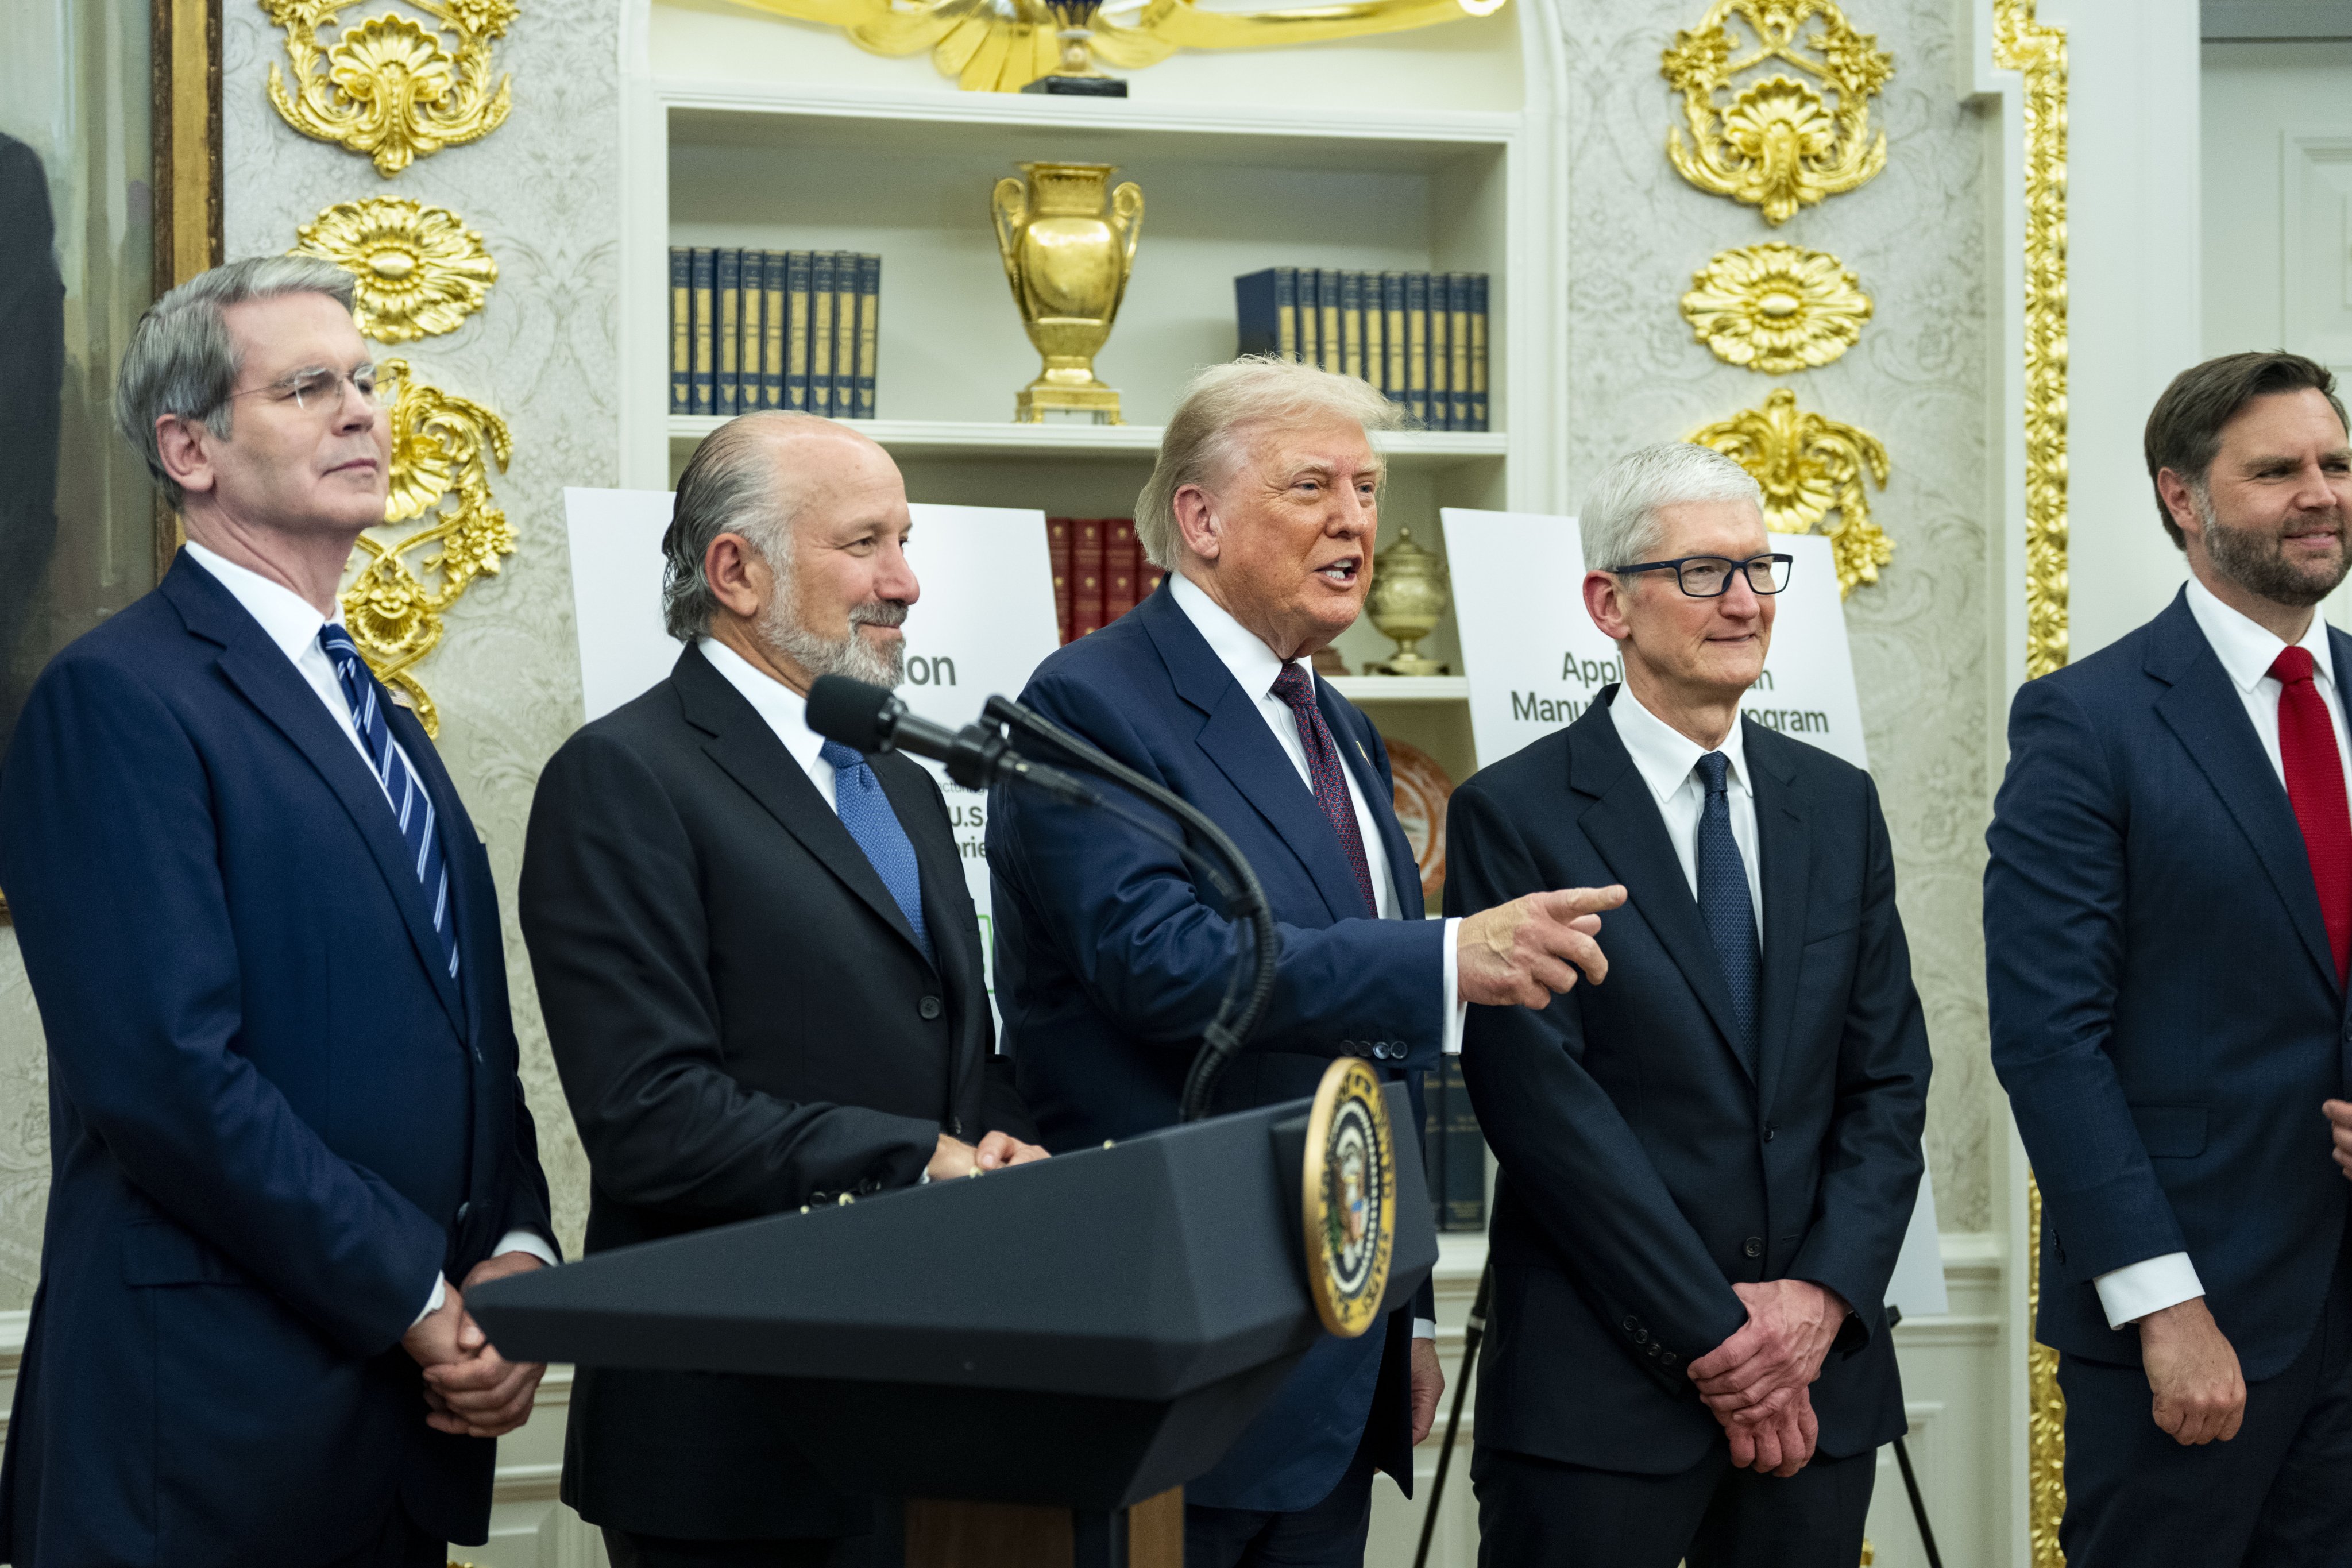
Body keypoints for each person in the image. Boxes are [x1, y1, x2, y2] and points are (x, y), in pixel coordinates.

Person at [984, 357, 1620, 1568]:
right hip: (1182, 1324)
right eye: (1312, 487)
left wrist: (1409, 1308)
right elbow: (1161, 968)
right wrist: (1442, 957)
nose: (1353, 522)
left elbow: (1369, 1062)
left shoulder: (1336, 718)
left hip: (1341, 1332)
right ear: (1199, 519)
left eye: (1370, 491)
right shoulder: (1087, 704)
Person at [0, 255, 557, 1568]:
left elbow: (470, 1038)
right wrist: (415, 1295)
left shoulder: (383, 718)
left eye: (364, 381)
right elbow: (167, 1078)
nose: (365, 412)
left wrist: (516, 1260)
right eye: (310, 388)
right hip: (198, 1442)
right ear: (188, 446)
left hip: (396, 1433)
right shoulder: (115, 698)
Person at [520, 410, 1045, 1568]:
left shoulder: (901, 779)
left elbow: (951, 1047)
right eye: (864, 544)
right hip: (730, 1441)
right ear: (736, 571)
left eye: (904, 542)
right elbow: (650, 1115)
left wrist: (1000, 1136)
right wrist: (915, 1157)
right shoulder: (622, 777)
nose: (904, 581)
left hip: (933, 1412)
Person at [1446, 443, 1930, 1568]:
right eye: (1705, 572)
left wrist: (1812, 1304)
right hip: (1598, 1404)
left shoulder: (1835, 805)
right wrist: (1720, 1341)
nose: (1745, 602)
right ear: (1606, 602)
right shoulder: (1512, 815)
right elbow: (1542, 1114)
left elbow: (1885, 1080)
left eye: (1761, 571)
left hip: (1818, 1388)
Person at [1986, 350, 2352, 1565]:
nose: (2320, 492)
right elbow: (2048, 1040)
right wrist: (2164, 1306)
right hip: (2195, 1331)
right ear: (2180, 499)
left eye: (2335, 463)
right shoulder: (2083, 723)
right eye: (2275, 471)